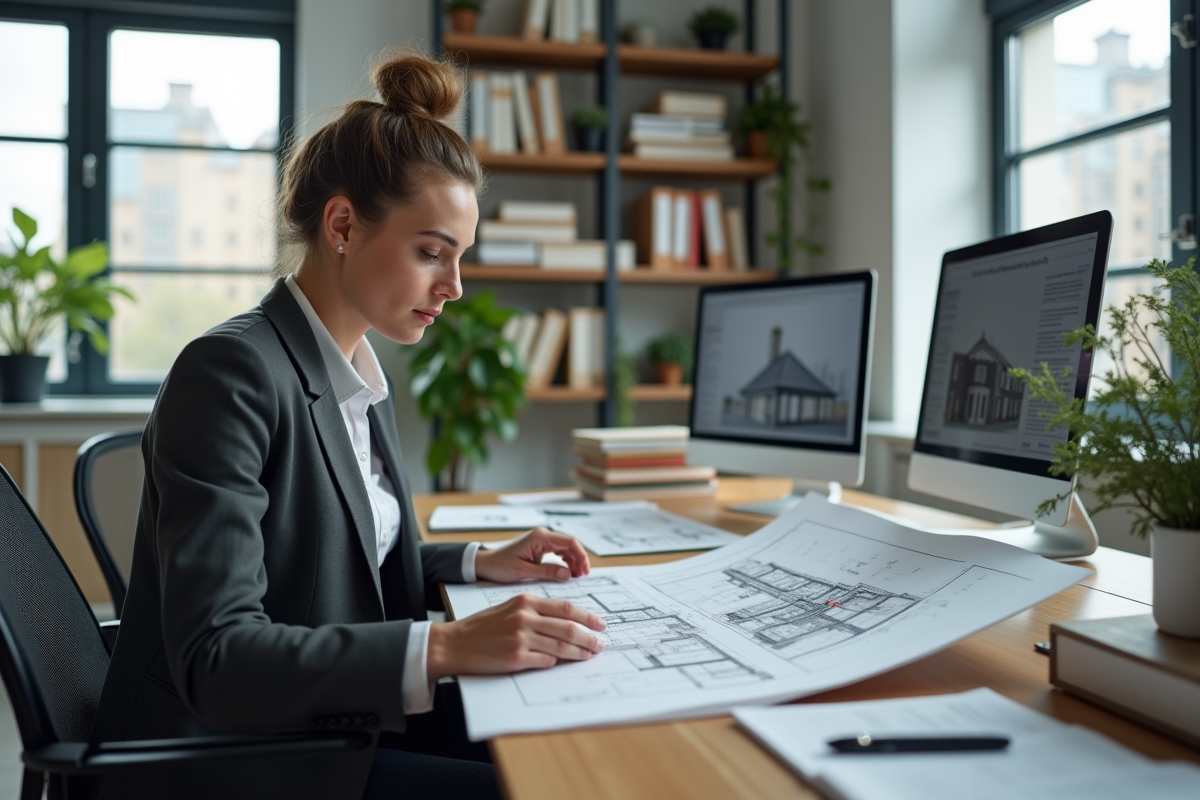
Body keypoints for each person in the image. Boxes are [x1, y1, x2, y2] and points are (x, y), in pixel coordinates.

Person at [89, 53, 606, 800]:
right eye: (432, 252)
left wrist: (476, 562)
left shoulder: (355, 363)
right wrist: (451, 642)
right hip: (234, 757)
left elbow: (346, 552)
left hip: (328, 715)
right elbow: (218, 658)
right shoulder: (229, 374)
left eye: (459, 259)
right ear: (341, 225)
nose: (454, 288)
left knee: (564, 740)